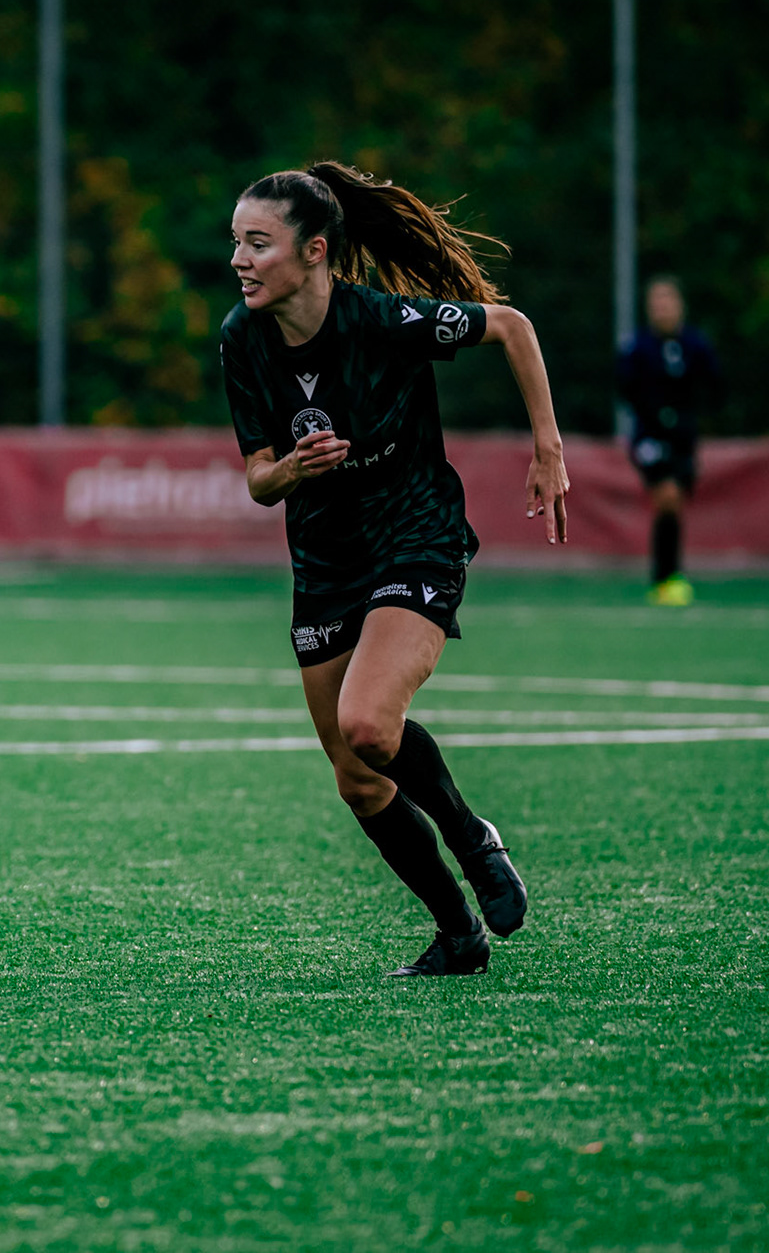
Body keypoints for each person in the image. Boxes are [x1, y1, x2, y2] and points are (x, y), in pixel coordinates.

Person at [221, 163, 570, 978]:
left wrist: (547, 447)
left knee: (370, 726)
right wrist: (297, 469)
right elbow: (258, 479)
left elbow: (512, 326)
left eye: (257, 243)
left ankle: (474, 839)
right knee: (357, 779)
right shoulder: (243, 338)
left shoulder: (383, 320)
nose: (238, 259)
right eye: (235, 242)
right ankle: (458, 934)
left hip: (415, 534)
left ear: (313, 252)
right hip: (325, 559)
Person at [616, 275, 722, 606]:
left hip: (683, 437)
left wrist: (693, 416)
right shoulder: (637, 346)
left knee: (674, 503)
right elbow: (624, 388)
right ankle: (667, 578)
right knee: (668, 496)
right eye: (656, 302)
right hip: (649, 436)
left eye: (668, 301)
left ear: (680, 306)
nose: (662, 308)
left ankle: (667, 576)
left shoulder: (695, 344)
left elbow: (716, 384)